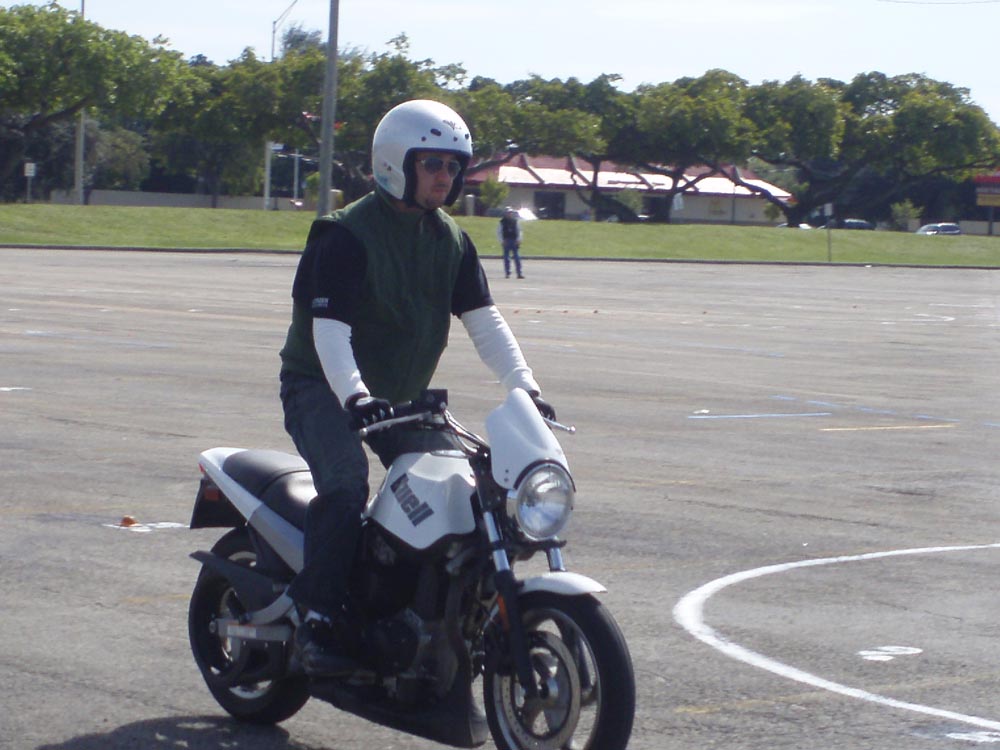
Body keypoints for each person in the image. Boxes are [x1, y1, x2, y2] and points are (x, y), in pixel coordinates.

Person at [278, 99, 556, 676]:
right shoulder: (345, 234)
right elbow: (329, 332)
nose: (444, 177)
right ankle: (317, 617)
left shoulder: (450, 241)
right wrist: (355, 397)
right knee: (346, 484)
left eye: (453, 167)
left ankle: (428, 608)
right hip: (322, 387)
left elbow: (484, 321)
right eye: (432, 164)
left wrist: (524, 387)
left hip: (398, 401)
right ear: (394, 163)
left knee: (467, 484)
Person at [497, 206, 524, 278]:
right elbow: (499, 232)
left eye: (510, 212)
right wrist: (501, 241)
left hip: (514, 241)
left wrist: (519, 239)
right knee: (506, 258)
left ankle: (519, 273)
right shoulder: (502, 222)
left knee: (517, 257)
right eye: (508, 213)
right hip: (506, 241)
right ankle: (507, 273)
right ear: (505, 213)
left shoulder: (515, 221)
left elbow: (519, 231)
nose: (509, 214)